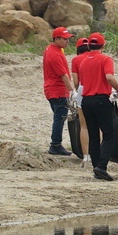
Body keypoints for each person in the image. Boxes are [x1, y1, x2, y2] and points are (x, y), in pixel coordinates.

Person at [79, 32, 118, 181]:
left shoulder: (83, 62)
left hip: (86, 100)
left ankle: (96, 167)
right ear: (103, 46)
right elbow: (109, 77)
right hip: (100, 99)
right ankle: (102, 166)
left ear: (89, 46)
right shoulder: (105, 59)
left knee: (93, 135)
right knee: (108, 134)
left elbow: (82, 83)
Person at [43, 26, 77, 156]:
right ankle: (55, 145)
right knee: (60, 117)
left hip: (51, 89)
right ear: (56, 39)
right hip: (57, 90)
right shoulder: (55, 54)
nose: (68, 42)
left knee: (59, 116)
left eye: (68, 39)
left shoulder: (51, 49)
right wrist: (72, 91)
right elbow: (63, 75)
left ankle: (56, 144)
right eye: (65, 39)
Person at [71, 37, 92, 167]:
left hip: (82, 90)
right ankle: (98, 155)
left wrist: (77, 91)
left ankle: (86, 157)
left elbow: (76, 81)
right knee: (98, 126)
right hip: (97, 90)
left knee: (84, 126)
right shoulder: (95, 58)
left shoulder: (76, 60)